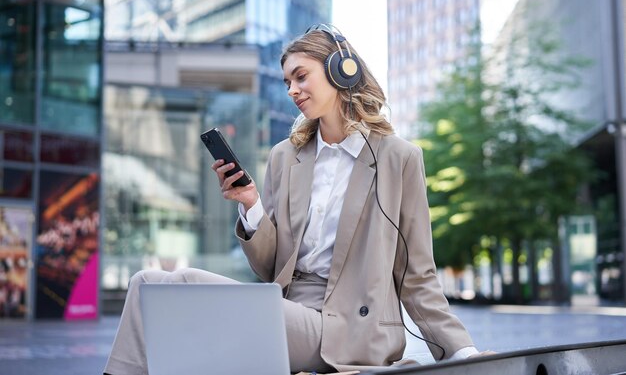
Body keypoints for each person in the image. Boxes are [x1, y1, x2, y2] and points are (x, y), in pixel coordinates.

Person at [104, 25, 488, 375]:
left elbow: (416, 275)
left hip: (352, 330)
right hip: (288, 312)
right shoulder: (285, 156)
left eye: (301, 76)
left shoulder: (398, 158)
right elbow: (270, 267)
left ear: (342, 71)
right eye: (288, 81)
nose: (292, 90)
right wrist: (251, 206)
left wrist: (463, 352)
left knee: (182, 282)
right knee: (146, 282)